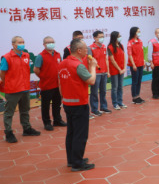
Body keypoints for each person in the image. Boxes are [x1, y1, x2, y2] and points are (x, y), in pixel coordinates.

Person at [58, 39, 97, 172]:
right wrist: (92, 67)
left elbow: (60, 84)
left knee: (71, 132)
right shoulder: (78, 65)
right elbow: (91, 80)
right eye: (86, 49)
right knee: (80, 134)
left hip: (67, 103)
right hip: (79, 103)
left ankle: (72, 159)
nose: (87, 51)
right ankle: (77, 163)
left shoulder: (62, 63)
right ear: (79, 50)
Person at [0, 36, 40, 143]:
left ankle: (27, 129)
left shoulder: (26, 55)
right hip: (12, 90)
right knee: (9, 112)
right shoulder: (7, 57)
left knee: (25, 110)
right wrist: (10, 83)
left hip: (25, 89)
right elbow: (2, 74)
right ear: (13, 44)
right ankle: (8, 133)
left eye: (23, 42)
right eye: (19, 42)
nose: (22, 44)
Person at [34, 36, 66, 131]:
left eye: (52, 42)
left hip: (57, 85)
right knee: (45, 106)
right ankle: (47, 122)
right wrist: (44, 77)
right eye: (48, 42)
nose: (51, 44)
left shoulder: (58, 54)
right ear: (44, 44)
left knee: (57, 104)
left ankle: (57, 120)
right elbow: (36, 70)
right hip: (46, 85)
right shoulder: (40, 56)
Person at [88, 31, 111, 117]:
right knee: (94, 92)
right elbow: (89, 61)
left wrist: (108, 71)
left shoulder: (104, 47)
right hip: (96, 73)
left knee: (103, 91)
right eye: (100, 37)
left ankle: (103, 107)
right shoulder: (90, 48)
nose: (102, 38)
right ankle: (94, 109)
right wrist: (91, 72)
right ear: (95, 38)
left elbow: (106, 59)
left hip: (104, 72)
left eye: (103, 36)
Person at [107, 31, 127, 110]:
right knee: (115, 87)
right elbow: (112, 60)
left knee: (120, 87)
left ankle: (120, 102)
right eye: (118, 36)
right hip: (114, 70)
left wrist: (124, 68)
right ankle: (115, 103)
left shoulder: (121, 45)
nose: (120, 37)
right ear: (114, 37)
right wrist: (119, 69)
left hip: (121, 69)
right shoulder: (110, 47)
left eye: (120, 36)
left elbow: (124, 56)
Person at [127, 27, 146, 104]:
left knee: (139, 81)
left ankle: (138, 96)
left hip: (140, 63)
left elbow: (142, 52)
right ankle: (134, 97)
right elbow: (130, 55)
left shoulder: (140, 41)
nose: (139, 32)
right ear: (134, 32)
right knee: (135, 81)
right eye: (138, 31)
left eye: (139, 31)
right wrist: (133, 64)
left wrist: (143, 61)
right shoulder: (130, 42)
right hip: (134, 65)